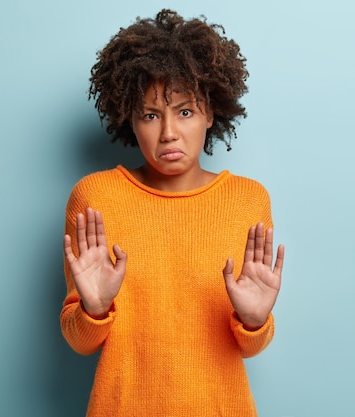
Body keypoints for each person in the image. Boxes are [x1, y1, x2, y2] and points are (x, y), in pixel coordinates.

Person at [61, 9, 285, 417]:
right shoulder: (95, 198)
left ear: (210, 114)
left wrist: (255, 321)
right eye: (150, 115)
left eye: (184, 111)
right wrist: (94, 310)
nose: (168, 132)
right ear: (130, 119)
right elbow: (80, 342)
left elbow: (250, 348)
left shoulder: (248, 200)